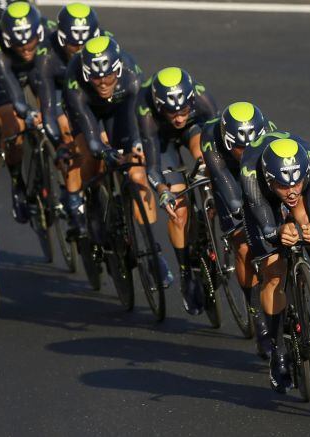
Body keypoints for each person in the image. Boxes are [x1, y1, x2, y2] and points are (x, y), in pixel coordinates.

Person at [63, 35, 173, 286]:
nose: (102, 83)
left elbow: (138, 122)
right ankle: (92, 205)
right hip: (85, 110)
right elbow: (91, 135)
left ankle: (154, 254)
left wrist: (134, 146)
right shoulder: (75, 80)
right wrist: (104, 151)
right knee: (91, 156)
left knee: (137, 173)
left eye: (108, 77)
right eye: (96, 78)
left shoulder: (132, 76)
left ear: (118, 69)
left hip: (121, 109)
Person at [240, 130, 310, 392]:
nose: (292, 190)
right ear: (271, 179)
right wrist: (277, 232)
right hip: (262, 204)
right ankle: (278, 349)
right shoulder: (252, 174)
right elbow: (264, 223)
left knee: (309, 224)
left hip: (295, 179)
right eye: (284, 186)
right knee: (273, 272)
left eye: (297, 183)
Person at [138, 67, 217, 314]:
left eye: (184, 111)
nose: (179, 118)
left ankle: (208, 216)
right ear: (160, 105)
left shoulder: (202, 100)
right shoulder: (146, 108)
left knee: (206, 158)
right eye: (173, 112)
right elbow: (152, 166)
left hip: (195, 133)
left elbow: (217, 142)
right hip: (160, 141)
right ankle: (185, 272)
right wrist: (162, 190)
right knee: (179, 209)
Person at [200, 101, 276, 354]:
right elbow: (229, 191)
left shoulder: (269, 134)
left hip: (259, 177)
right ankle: (257, 313)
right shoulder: (211, 137)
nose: (246, 151)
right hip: (228, 177)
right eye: (240, 147)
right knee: (244, 246)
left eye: (251, 145)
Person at [34, 2, 103, 236]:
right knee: (69, 134)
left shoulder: (106, 45)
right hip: (58, 94)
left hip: (92, 93)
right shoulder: (47, 55)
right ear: (62, 38)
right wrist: (60, 144)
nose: (81, 48)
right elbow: (47, 108)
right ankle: (73, 196)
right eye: (74, 44)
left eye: (86, 43)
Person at [0, 1, 56, 224]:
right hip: (7, 75)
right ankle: (17, 183)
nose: (26, 49)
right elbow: (13, 93)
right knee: (12, 125)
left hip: (40, 69)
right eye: (19, 45)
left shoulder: (50, 29)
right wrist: (24, 112)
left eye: (31, 43)